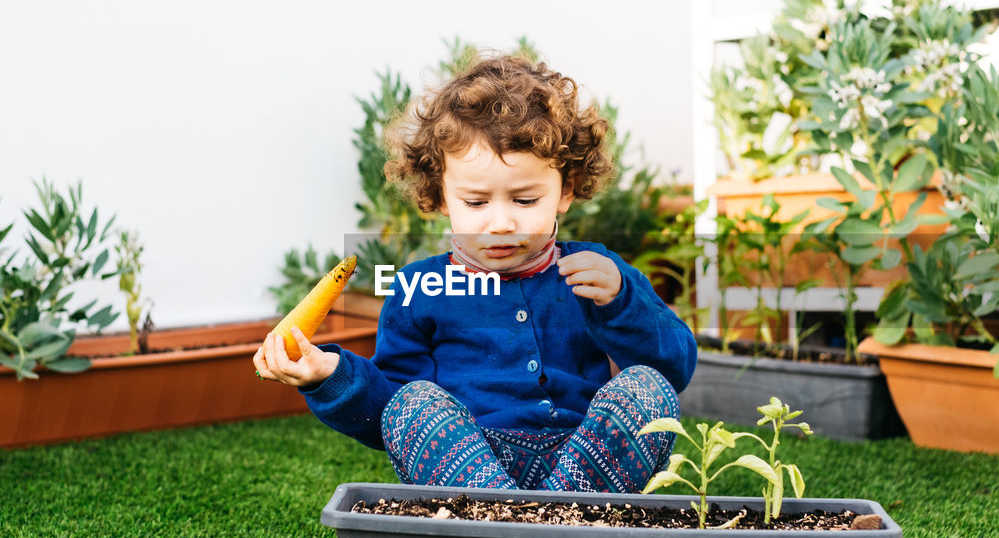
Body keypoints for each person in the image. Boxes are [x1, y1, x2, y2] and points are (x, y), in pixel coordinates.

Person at [254, 54, 697, 493]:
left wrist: (622, 301)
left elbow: (674, 367)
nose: (500, 222)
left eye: (525, 201)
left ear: (565, 190)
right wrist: (330, 376)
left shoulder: (597, 273)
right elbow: (390, 415)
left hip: (585, 463)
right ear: (441, 196)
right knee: (413, 404)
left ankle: (560, 512)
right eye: (475, 203)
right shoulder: (418, 290)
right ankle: (507, 515)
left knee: (648, 387)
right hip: (472, 467)